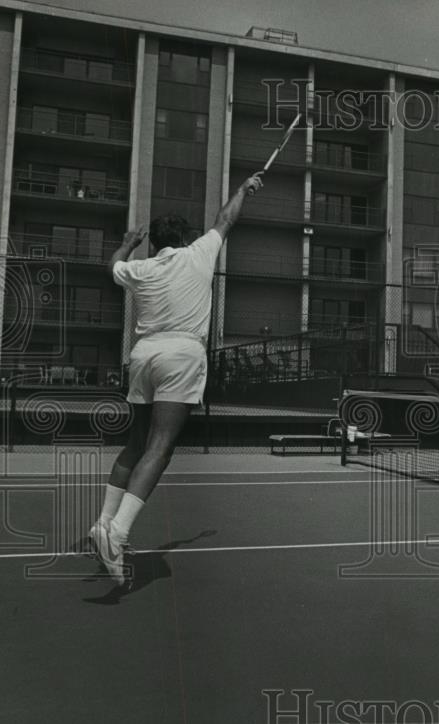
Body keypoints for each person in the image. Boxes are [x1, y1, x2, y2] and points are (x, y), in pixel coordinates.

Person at [89, 171, 264, 585]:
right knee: (161, 448)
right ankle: (117, 535)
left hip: (143, 355)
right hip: (180, 355)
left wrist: (128, 245)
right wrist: (242, 190)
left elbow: (110, 265)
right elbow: (226, 219)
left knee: (134, 445)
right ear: (185, 237)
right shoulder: (198, 253)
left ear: (154, 242)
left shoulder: (140, 268)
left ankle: (102, 523)